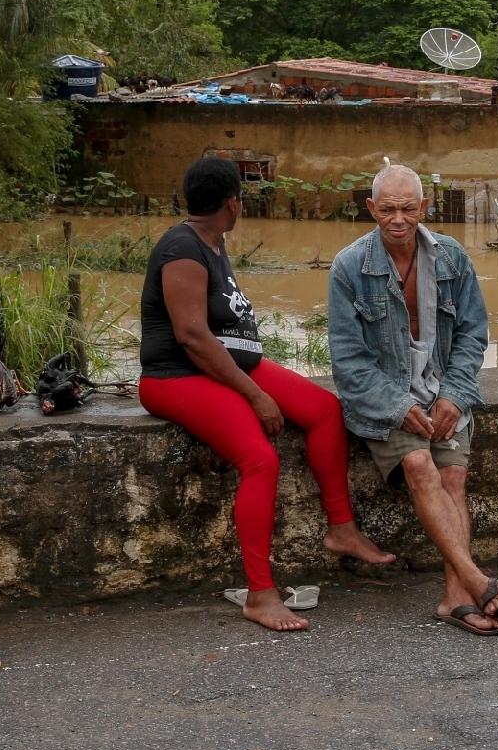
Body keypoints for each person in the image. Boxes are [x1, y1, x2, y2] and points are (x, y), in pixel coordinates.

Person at [137, 156, 394, 632]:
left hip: (231, 365)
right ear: (233, 203)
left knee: (323, 410)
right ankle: (260, 593)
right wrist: (254, 395)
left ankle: (341, 528)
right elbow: (192, 336)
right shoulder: (182, 250)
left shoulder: (211, 241)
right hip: (176, 378)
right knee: (260, 459)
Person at [327, 165, 498, 635]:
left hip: (441, 392)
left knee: (453, 474)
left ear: (424, 209)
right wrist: (396, 407)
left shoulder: (451, 258)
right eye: (387, 209)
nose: (398, 219)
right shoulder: (349, 267)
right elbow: (349, 362)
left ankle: (454, 597)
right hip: (382, 400)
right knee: (417, 465)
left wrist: (454, 393)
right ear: (371, 209)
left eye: (408, 208)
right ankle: (476, 581)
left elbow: (474, 333)